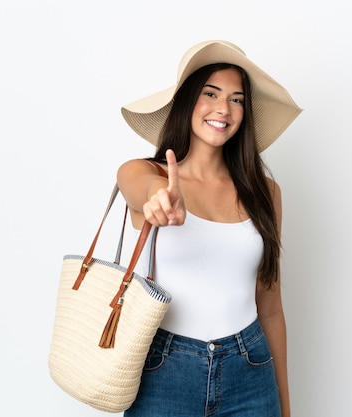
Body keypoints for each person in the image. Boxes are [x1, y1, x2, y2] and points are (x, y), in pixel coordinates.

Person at [117, 40, 302, 417]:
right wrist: (157, 197)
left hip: (250, 370)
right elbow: (136, 187)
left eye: (237, 99)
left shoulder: (266, 193)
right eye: (211, 93)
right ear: (188, 101)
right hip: (164, 371)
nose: (224, 108)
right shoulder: (147, 174)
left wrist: (285, 408)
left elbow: (270, 308)